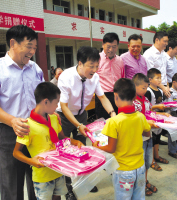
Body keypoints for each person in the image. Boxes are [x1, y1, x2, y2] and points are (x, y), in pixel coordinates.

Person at [0, 25, 43, 200]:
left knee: (37, 175)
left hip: (35, 129)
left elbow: (42, 98)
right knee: (11, 179)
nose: (32, 51)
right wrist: (13, 121)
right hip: (9, 130)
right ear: (13, 43)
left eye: (35, 48)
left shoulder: (35, 69)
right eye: (29, 46)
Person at [56, 46, 116, 200]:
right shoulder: (66, 77)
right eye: (91, 66)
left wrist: (113, 114)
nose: (94, 70)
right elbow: (63, 105)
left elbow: (102, 97)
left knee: (82, 151)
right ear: (80, 63)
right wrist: (77, 125)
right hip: (63, 116)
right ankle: (67, 187)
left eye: (97, 66)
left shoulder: (94, 78)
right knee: (64, 150)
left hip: (82, 115)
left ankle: (82, 183)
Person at [13, 82, 83, 200]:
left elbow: (62, 138)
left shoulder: (54, 118)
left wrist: (74, 142)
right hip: (43, 176)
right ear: (46, 102)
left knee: (57, 197)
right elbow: (16, 152)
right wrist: (31, 161)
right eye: (56, 103)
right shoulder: (27, 125)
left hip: (59, 170)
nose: (57, 106)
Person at [92, 78, 151, 200]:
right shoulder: (140, 116)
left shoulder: (114, 122)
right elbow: (147, 133)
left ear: (115, 96)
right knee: (139, 197)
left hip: (123, 171)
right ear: (134, 97)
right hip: (140, 168)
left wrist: (96, 145)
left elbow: (111, 148)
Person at [132, 73, 159, 197]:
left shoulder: (145, 99)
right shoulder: (132, 102)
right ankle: (139, 186)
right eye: (143, 88)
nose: (145, 90)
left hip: (149, 136)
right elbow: (134, 120)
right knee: (140, 164)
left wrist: (162, 115)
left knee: (147, 162)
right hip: (139, 138)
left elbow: (151, 111)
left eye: (146, 87)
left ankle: (145, 181)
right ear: (134, 86)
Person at [145, 68, 171, 171]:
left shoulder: (160, 90)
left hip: (160, 117)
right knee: (151, 139)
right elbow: (148, 108)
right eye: (157, 78)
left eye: (160, 78)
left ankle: (156, 156)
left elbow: (162, 103)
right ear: (150, 79)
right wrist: (158, 108)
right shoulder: (148, 91)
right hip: (152, 118)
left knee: (157, 138)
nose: (159, 80)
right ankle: (151, 161)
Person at [96, 32, 125, 119]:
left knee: (118, 122)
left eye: (114, 46)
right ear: (103, 45)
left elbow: (122, 78)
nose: (111, 50)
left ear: (117, 46)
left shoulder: (120, 60)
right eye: (108, 46)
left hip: (118, 96)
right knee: (103, 125)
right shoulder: (97, 59)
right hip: (102, 96)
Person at [144, 31, 171, 97]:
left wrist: (167, 86)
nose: (166, 43)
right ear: (157, 40)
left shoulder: (164, 54)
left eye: (167, 41)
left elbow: (164, 72)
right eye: (164, 41)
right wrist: (163, 88)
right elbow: (151, 75)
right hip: (154, 88)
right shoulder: (149, 54)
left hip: (165, 88)